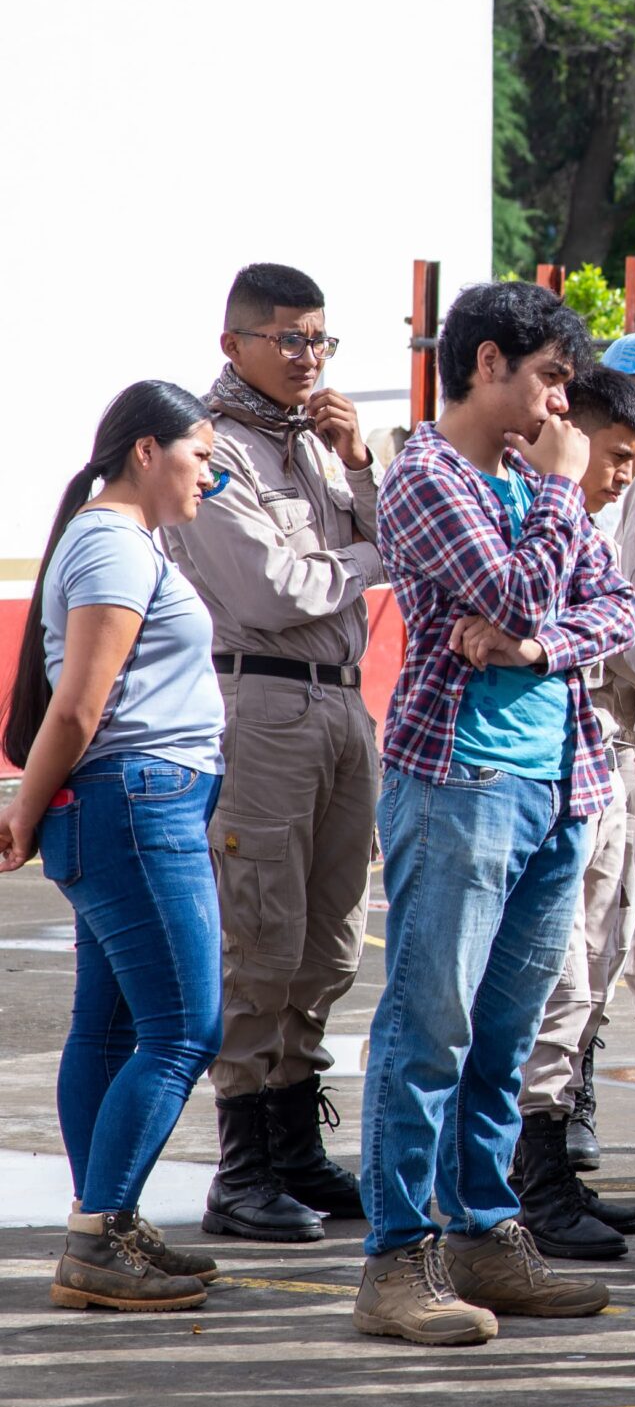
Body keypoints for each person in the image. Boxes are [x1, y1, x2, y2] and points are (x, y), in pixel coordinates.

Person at [353, 279, 635, 1347]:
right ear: (486, 364)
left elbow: (609, 606)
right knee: (430, 1021)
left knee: (504, 1033)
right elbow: (515, 586)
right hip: (458, 779)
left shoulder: (527, 475)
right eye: (551, 378)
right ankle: (396, 1256)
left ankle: (482, 1227)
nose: (562, 408)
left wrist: (527, 646)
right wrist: (558, 514)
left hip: (563, 783)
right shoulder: (427, 475)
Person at [158, 265, 378, 1245]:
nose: (306, 358)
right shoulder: (216, 451)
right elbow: (274, 593)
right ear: (233, 343)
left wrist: (363, 462)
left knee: (331, 941)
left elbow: (386, 532)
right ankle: (242, 1165)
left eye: (319, 340)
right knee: (262, 938)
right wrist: (374, 560)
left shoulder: (322, 447)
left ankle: (294, 1140)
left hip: (339, 705)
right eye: (286, 338)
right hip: (262, 704)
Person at [0, 383, 228, 1313]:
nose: (208, 474)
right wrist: (25, 802)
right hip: (137, 806)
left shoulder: (123, 542)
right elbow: (80, 703)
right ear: (146, 449)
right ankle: (99, 1234)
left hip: (133, 805)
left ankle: (107, 1219)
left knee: (114, 1023)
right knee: (185, 1026)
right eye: (201, 454)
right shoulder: (109, 543)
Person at [512, 366, 635, 1260]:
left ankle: (554, 1162)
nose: (618, 477)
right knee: (553, 976)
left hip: (604, 750)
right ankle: (531, 1177)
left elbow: (622, 623)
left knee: (597, 964)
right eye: (614, 456)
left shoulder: (601, 520)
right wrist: (557, 638)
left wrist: (554, 641)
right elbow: (536, 615)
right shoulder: (540, 508)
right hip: (547, 760)